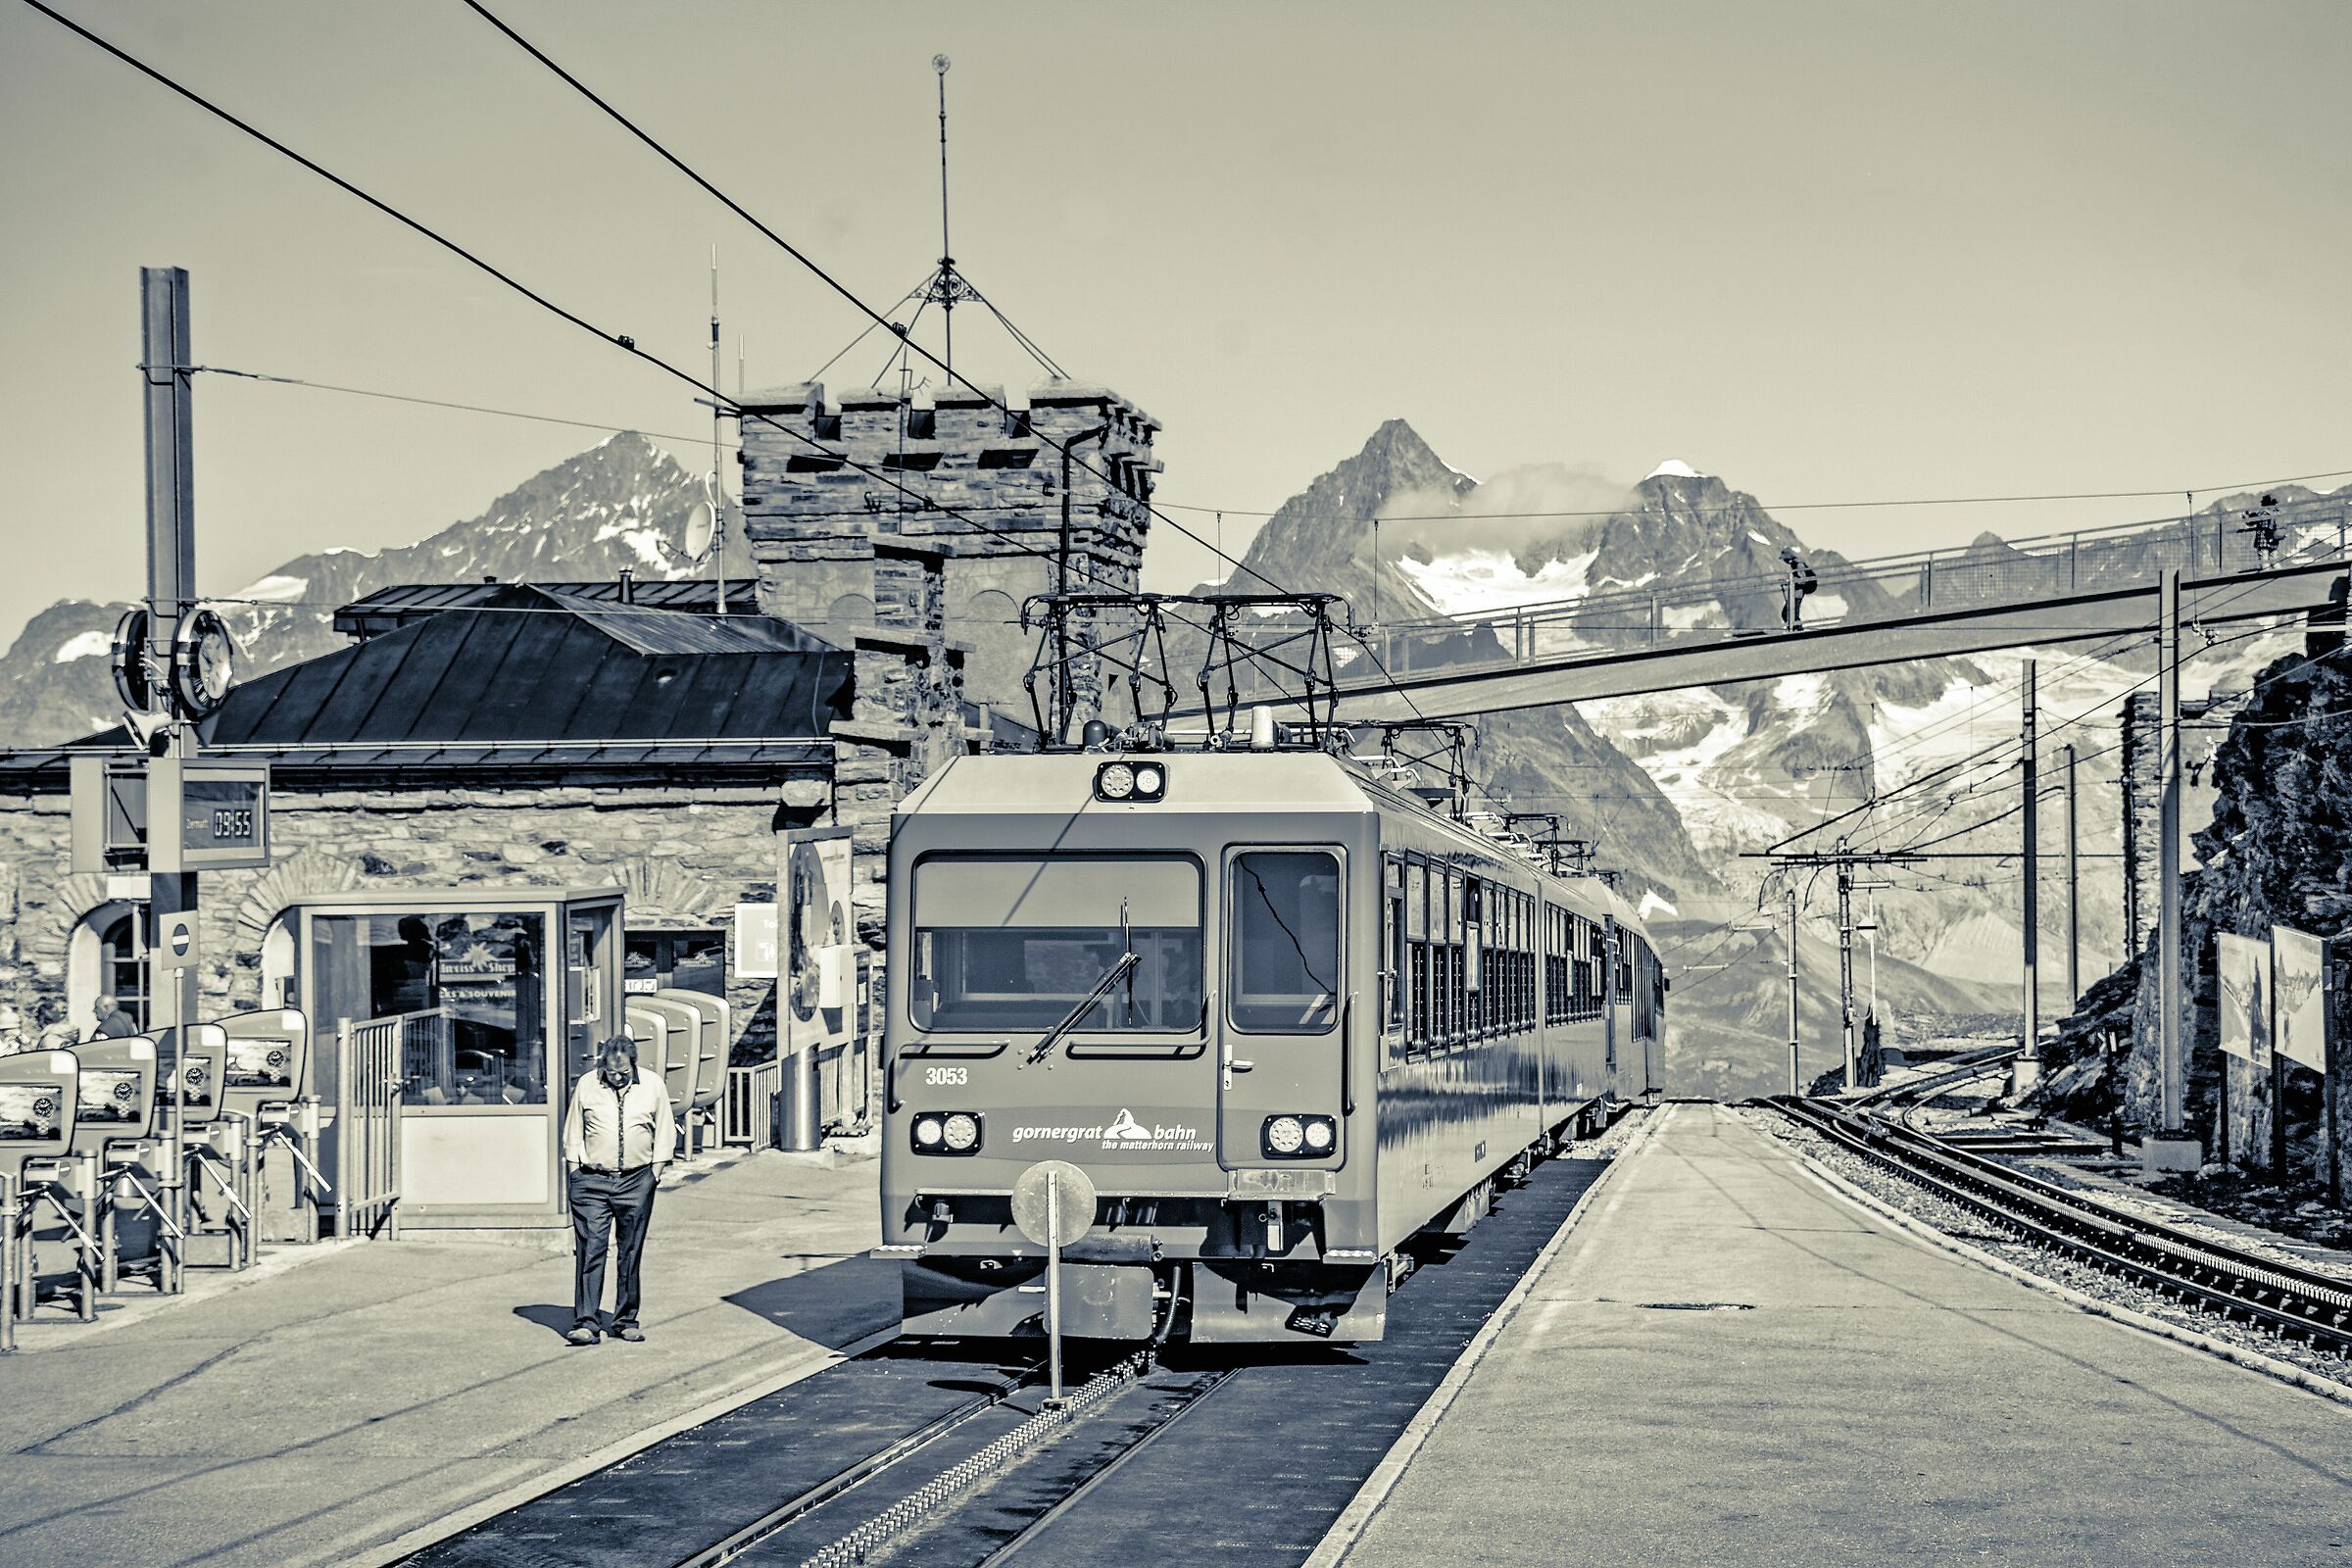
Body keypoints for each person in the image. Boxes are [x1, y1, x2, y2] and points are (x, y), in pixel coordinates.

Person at [560, 1036, 675, 1345]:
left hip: (637, 1180)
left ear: (633, 1064)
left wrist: (655, 1172)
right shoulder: (587, 1085)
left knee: (630, 1251)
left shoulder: (652, 1085)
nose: (618, 1077)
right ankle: (586, 1322)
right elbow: (573, 1130)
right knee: (591, 1249)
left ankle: (625, 1320)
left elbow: (664, 1129)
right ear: (603, 1065)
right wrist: (575, 1171)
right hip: (592, 1181)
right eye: (612, 1072)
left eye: (623, 1072)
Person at [1779, 546, 1817, 631]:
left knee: (1787, 613)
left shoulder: (1798, 564)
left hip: (1798, 592)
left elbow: (1802, 579)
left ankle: (1797, 630)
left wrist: (1790, 582)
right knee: (1792, 613)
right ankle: (1796, 629)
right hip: (1797, 591)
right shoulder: (1796, 563)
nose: (1784, 561)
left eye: (1784, 559)